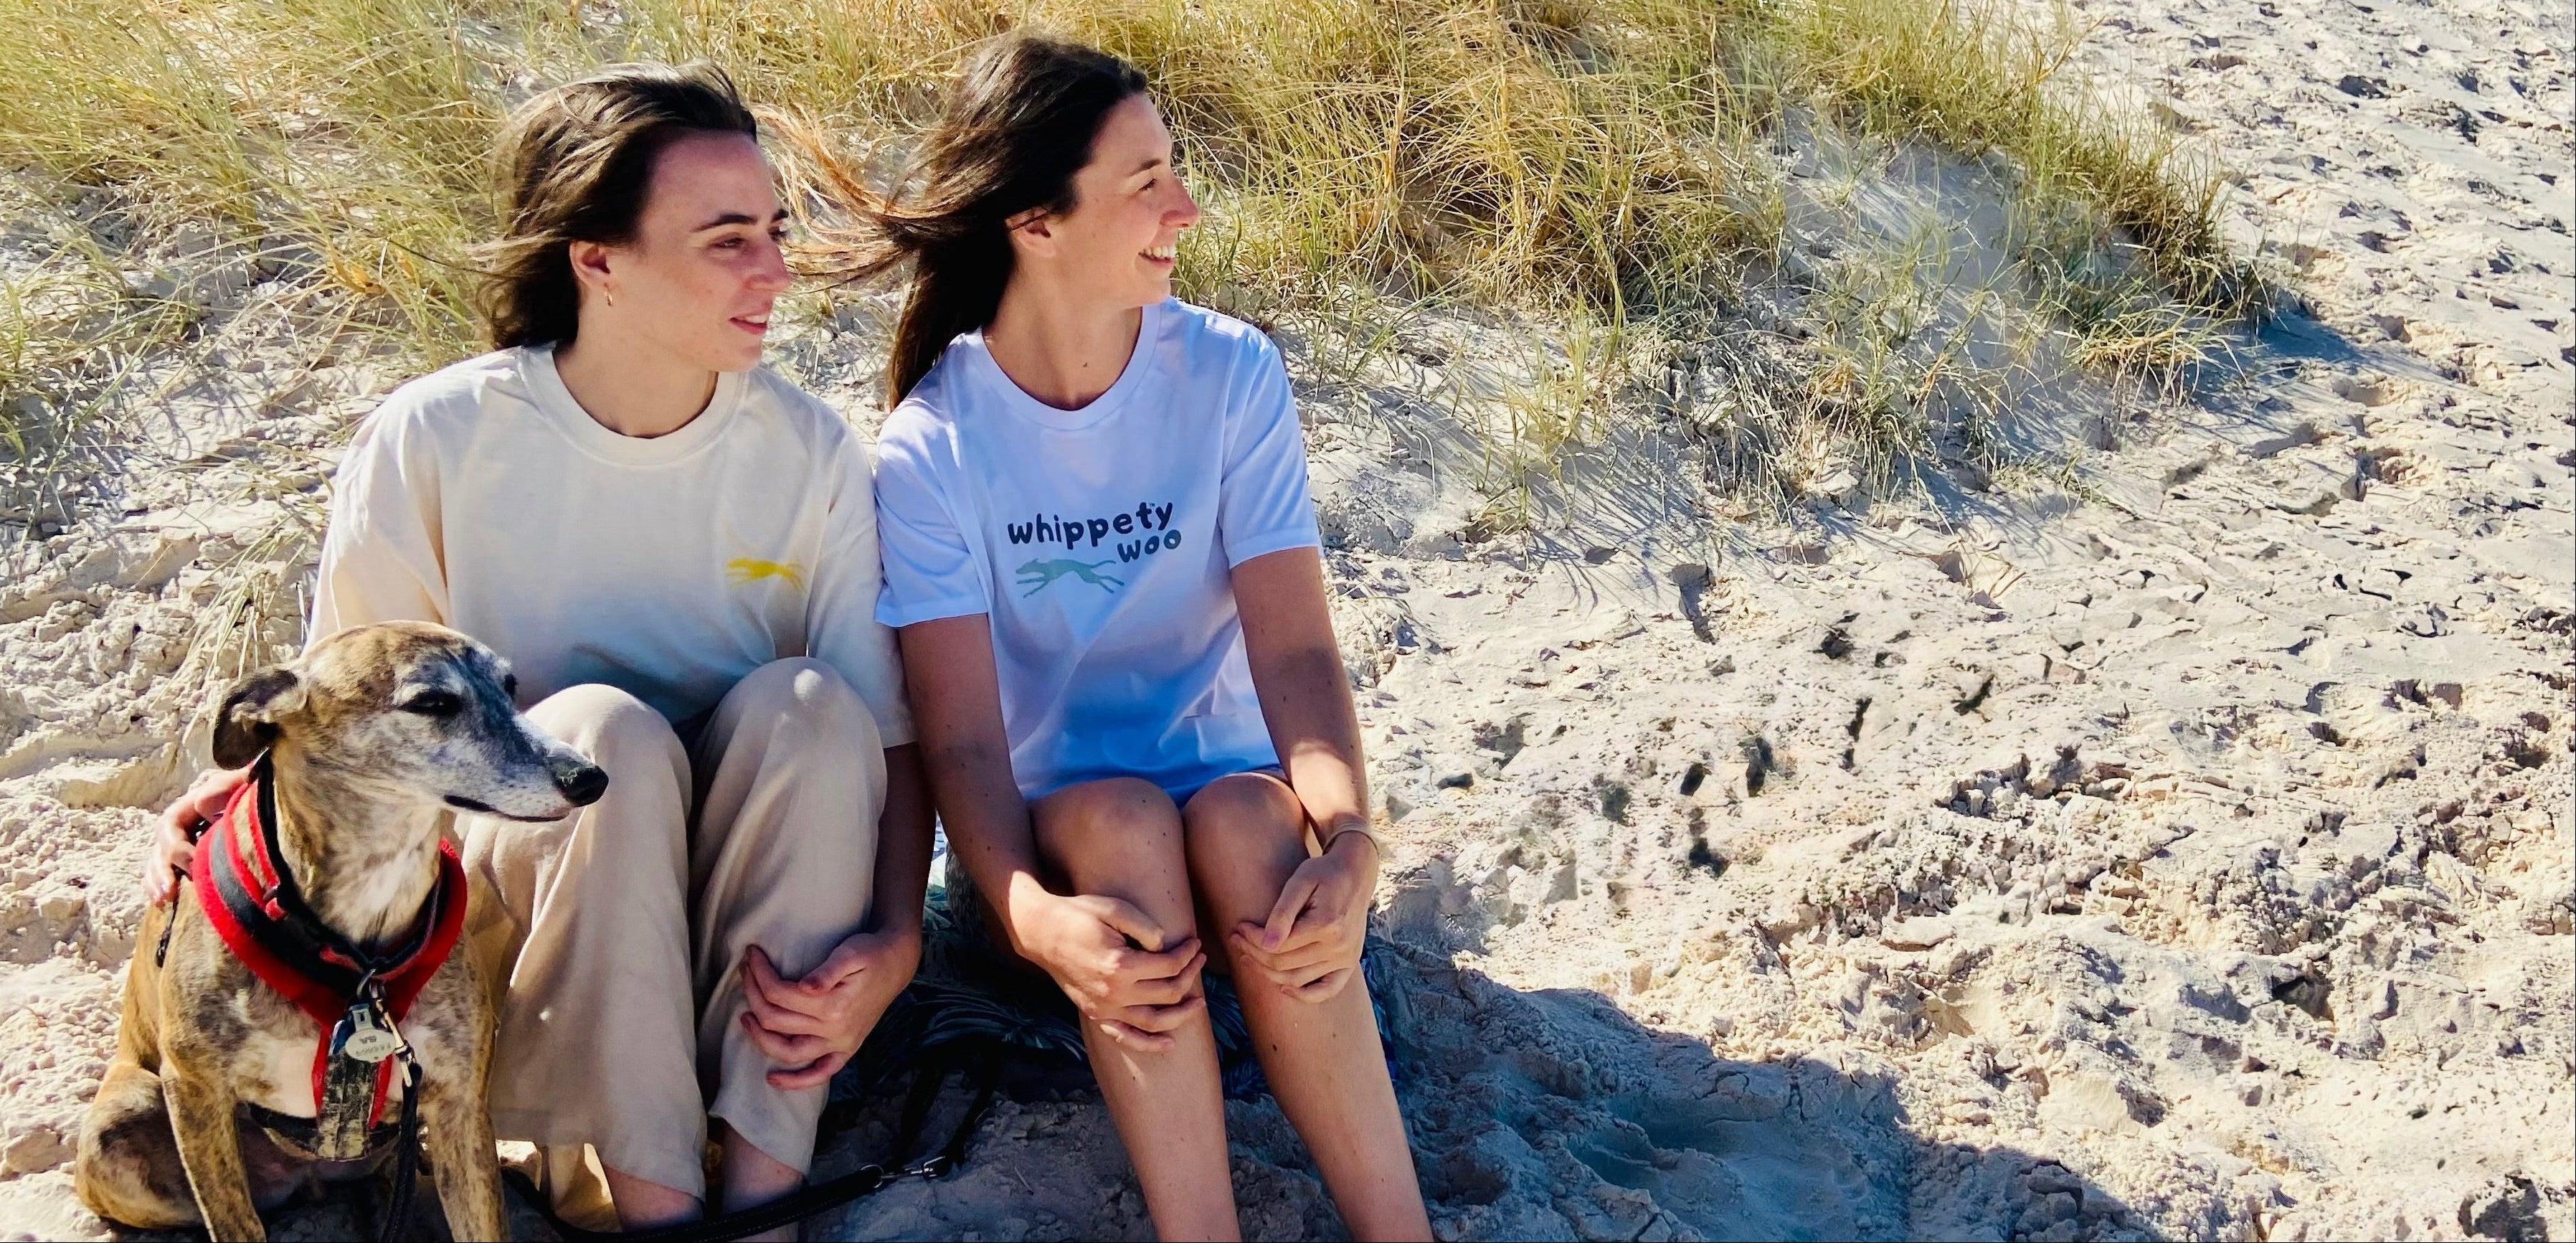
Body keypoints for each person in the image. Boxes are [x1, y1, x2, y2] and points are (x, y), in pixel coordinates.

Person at [141, 62, 932, 1236]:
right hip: (527, 923)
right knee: (599, 734)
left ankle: (766, 1188)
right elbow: (346, 715)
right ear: (596, 258)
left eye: (774, 230)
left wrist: (897, 945)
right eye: (728, 240)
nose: (776, 270)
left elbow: (887, 738)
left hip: (745, 922)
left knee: (809, 707)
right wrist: (227, 799)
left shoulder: (808, 448)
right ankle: (645, 1193)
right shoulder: (442, 436)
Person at [818, 32, 1433, 1242]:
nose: (1185, 206)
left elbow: (1296, 654)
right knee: (1125, 819)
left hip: (1235, 806)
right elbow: (963, 744)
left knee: (1248, 820)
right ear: (1036, 222)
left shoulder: (1229, 372)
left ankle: (1398, 1228)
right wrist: (1030, 915)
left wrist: (1352, 834)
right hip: (1065, 852)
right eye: (1145, 180)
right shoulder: (934, 444)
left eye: (1176, 168)